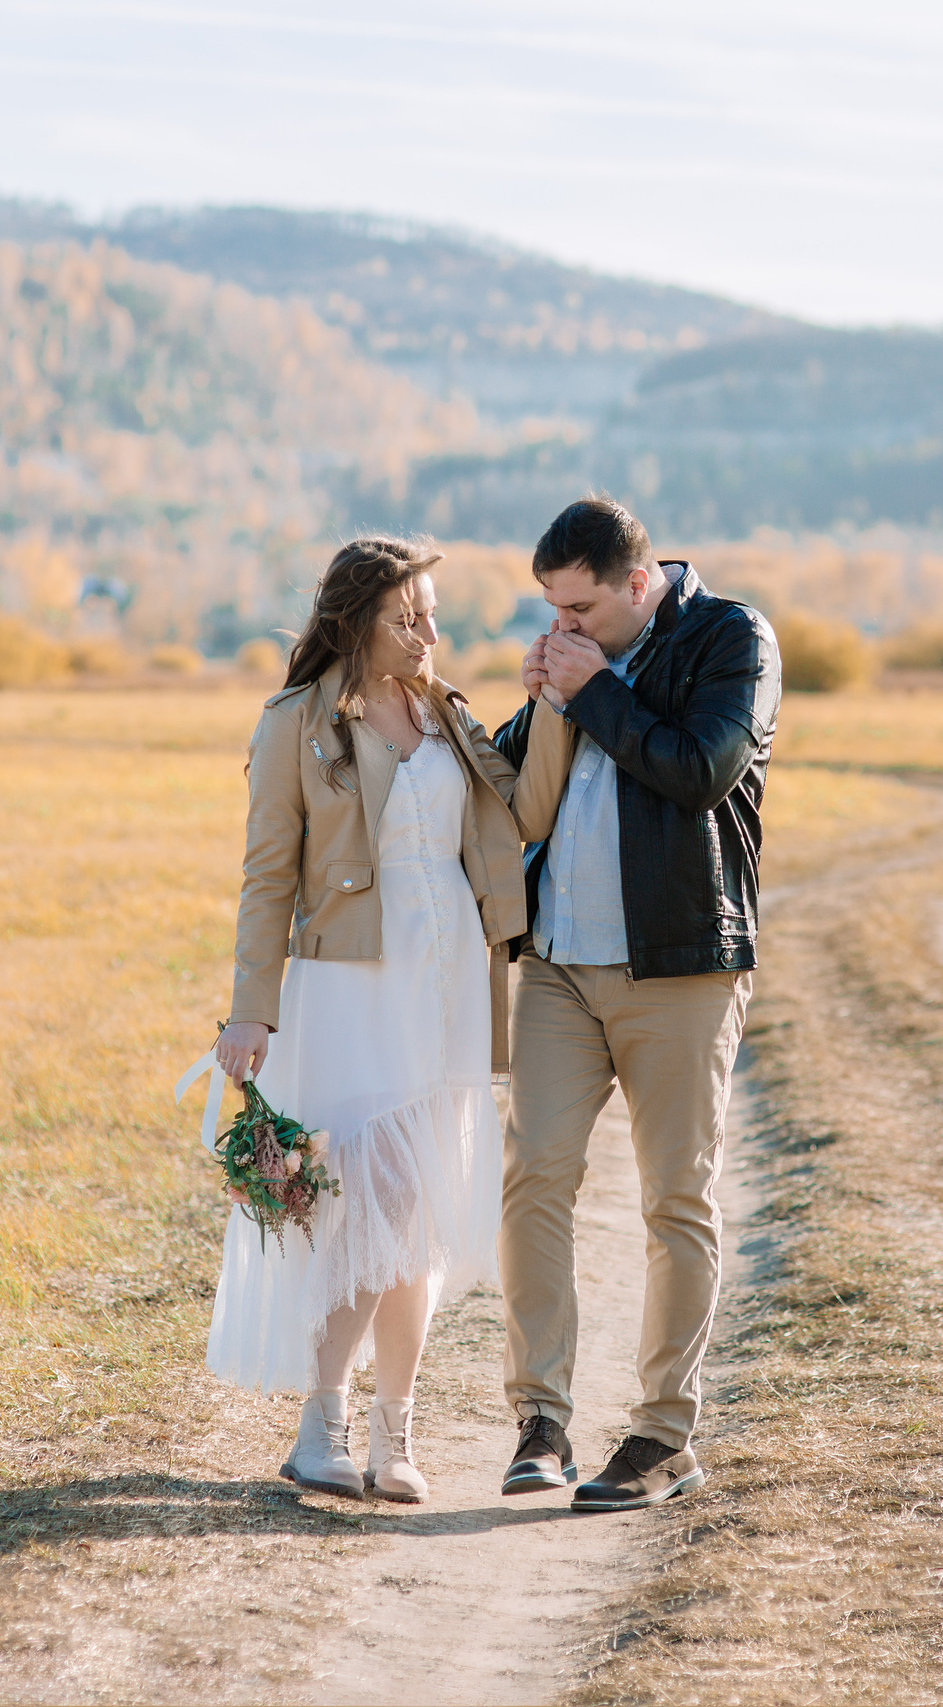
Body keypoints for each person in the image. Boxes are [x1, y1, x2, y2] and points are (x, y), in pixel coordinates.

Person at [208, 536, 573, 1502]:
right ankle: (320, 1422)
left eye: (435, 615)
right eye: (410, 617)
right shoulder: (297, 720)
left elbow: (523, 817)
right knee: (373, 1201)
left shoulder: (448, 713)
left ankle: (391, 1438)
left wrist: (554, 707)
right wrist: (249, 1012)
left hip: (447, 986)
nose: (430, 632)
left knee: (414, 1217)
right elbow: (265, 877)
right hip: (352, 991)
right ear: (361, 619)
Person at [493, 495, 781, 1512]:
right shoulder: (582, 662)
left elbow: (700, 770)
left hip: (681, 968)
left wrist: (595, 690)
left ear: (636, 583)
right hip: (560, 967)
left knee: (675, 1202)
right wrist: (532, 711)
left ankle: (664, 1435)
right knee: (533, 1180)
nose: (561, 629)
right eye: (550, 613)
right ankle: (540, 1419)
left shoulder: (729, 636)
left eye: (579, 610)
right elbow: (517, 794)